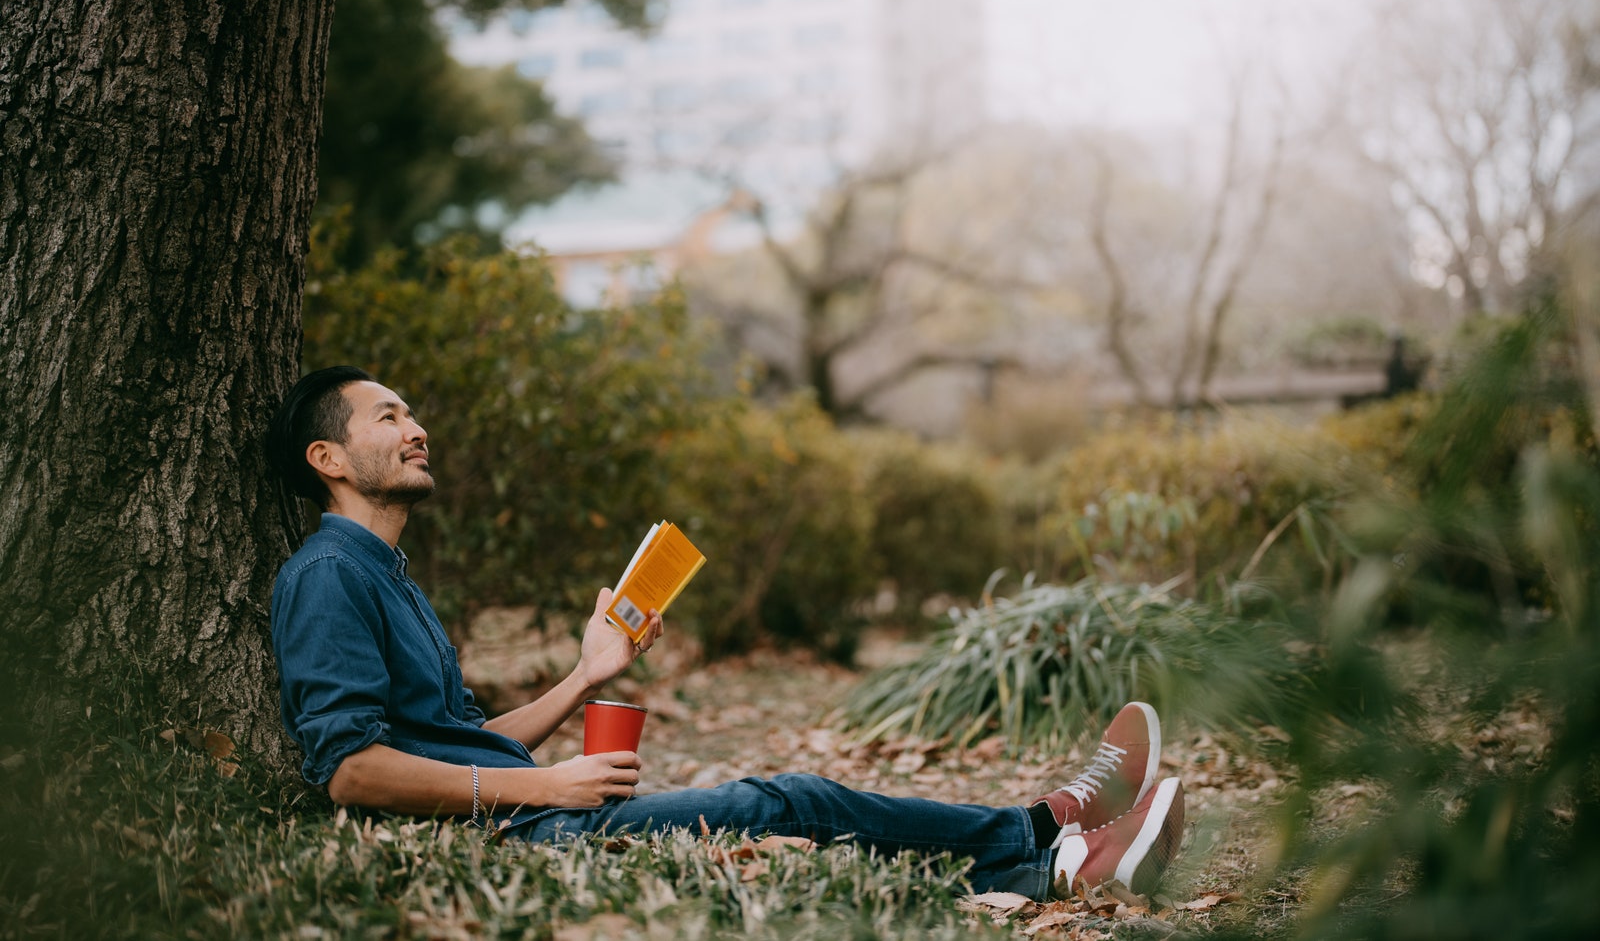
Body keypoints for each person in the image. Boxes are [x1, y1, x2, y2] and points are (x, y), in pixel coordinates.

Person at [266, 366, 1187, 900]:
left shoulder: (386, 577)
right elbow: (349, 768)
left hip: (536, 811)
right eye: (390, 416)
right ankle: (1051, 842)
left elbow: (461, 743)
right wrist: (545, 784)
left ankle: (1050, 846)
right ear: (330, 458)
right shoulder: (328, 575)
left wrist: (588, 675)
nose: (418, 428)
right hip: (526, 838)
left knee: (784, 805)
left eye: (413, 412)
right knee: (783, 799)